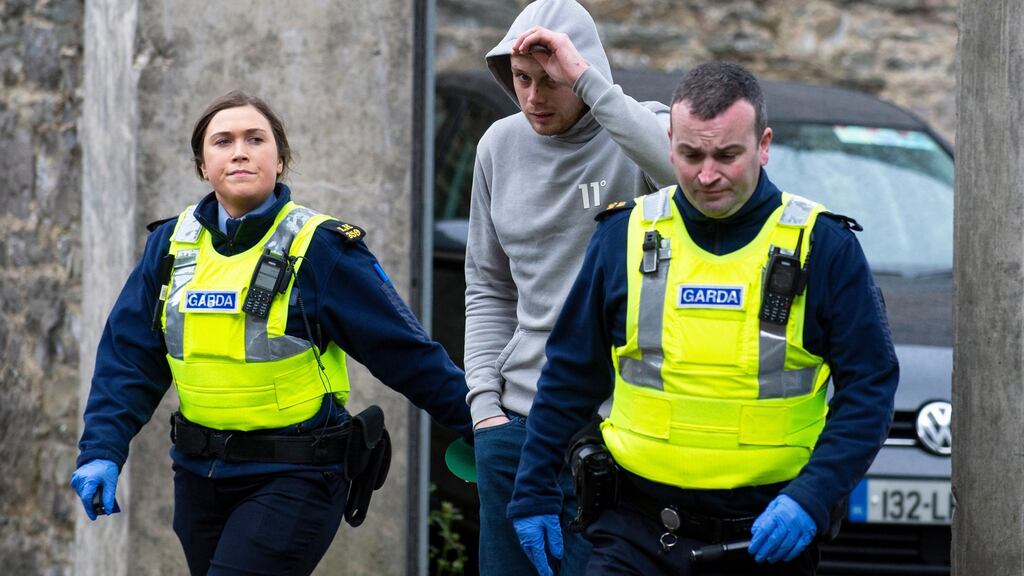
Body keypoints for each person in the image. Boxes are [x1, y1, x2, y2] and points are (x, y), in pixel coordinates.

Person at [506, 62, 899, 575]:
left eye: (726, 155)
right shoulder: (624, 236)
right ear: (669, 143)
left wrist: (814, 495)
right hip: (634, 533)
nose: (706, 174)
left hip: (762, 540)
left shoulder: (822, 247)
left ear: (763, 145)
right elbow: (569, 374)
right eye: (690, 155)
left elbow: (870, 388)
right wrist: (533, 487)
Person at [69, 91, 473, 576]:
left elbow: (407, 354)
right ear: (203, 164)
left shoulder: (322, 247)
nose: (239, 151)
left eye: (254, 139)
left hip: (297, 474)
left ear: (279, 160)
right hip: (199, 476)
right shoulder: (171, 246)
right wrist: (102, 449)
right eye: (223, 141)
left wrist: (489, 427)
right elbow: (130, 357)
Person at [463, 1, 677, 574]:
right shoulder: (497, 147)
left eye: (551, 80)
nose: (533, 97)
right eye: (520, 78)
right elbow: (487, 286)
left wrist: (590, 82)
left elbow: (689, 179)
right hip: (516, 426)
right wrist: (485, 407)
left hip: (618, 429)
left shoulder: (638, 129)